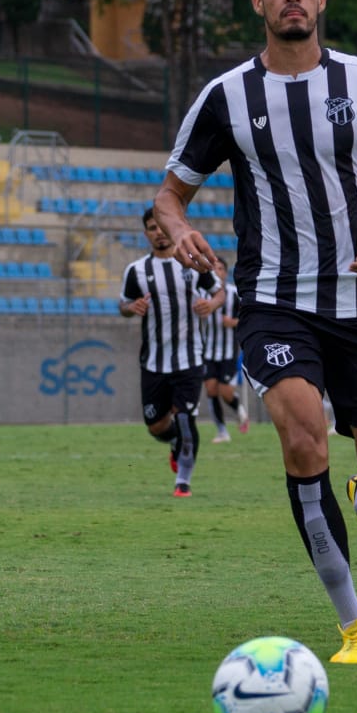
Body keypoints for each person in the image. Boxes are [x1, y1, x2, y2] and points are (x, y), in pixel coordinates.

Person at [153, 0, 357, 664]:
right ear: (259, 2)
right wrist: (178, 234)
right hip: (273, 301)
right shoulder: (226, 96)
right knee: (301, 437)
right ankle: (355, 624)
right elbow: (170, 198)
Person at [118, 208, 224, 498]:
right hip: (153, 362)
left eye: (162, 226)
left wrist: (212, 306)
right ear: (146, 233)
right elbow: (123, 305)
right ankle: (175, 440)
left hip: (190, 359)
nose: (159, 232)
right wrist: (132, 307)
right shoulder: (137, 270)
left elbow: (219, 292)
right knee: (156, 426)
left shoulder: (190, 264)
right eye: (152, 228)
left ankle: (183, 483)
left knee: (185, 416)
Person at [199, 257, 249, 444]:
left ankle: (239, 409)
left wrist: (233, 323)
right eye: (213, 269)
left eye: (220, 268)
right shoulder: (202, 293)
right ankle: (222, 432)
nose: (216, 272)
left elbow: (247, 319)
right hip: (208, 352)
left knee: (225, 392)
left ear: (225, 273)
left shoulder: (234, 294)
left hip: (228, 352)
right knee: (211, 390)